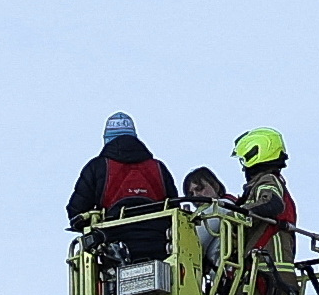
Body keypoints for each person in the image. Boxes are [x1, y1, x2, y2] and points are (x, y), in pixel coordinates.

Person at [226, 127, 297, 295]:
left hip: (261, 269)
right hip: (279, 274)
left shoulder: (267, 182)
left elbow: (271, 203)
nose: (243, 168)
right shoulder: (278, 183)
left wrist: (239, 212)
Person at [66, 113, 179, 260]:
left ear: (107, 139)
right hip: (160, 246)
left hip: (115, 249)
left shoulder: (97, 167)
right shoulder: (158, 168)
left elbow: (76, 211)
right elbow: (175, 206)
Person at [181, 166, 232, 274]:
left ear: (215, 186)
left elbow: (192, 243)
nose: (196, 196)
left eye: (199, 189)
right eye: (191, 194)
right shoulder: (230, 206)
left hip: (227, 274)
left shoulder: (219, 208)